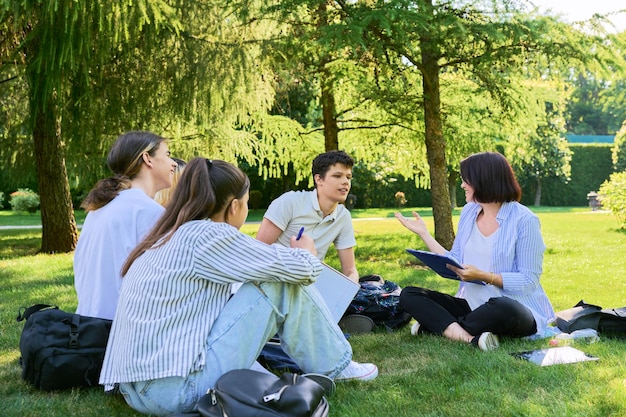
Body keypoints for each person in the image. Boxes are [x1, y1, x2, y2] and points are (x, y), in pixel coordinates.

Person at [99, 158, 378, 416]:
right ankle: (338, 365)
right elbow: (301, 269)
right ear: (234, 206)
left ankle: (289, 370)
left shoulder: (169, 233)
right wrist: (305, 250)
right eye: (245, 203)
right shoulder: (210, 234)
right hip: (175, 390)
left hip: (136, 389)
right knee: (280, 282)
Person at [395, 151, 555, 351]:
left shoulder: (525, 220)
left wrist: (485, 276)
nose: (462, 185)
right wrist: (424, 234)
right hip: (472, 306)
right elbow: (455, 259)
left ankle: (439, 325)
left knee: (503, 307)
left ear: (484, 180)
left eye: (466, 180)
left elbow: (529, 280)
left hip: (514, 308)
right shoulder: (469, 212)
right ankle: (468, 338)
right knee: (409, 294)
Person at [74, 131, 177, 320]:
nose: (174, 163)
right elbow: (167, 285)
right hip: (120, 332)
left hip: (86, 326)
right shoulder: (148, 211)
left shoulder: (100, 208)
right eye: (168, 155)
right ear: (147, 159)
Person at [256, 150, 359, 282]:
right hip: (271, 280)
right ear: (319, 179)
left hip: (307, 286)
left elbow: (350, 270)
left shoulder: (343, 216)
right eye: (338, 176)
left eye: (348, 177)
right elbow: (258, 251)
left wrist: (348, 291)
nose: (345, 182)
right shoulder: (290, 202)